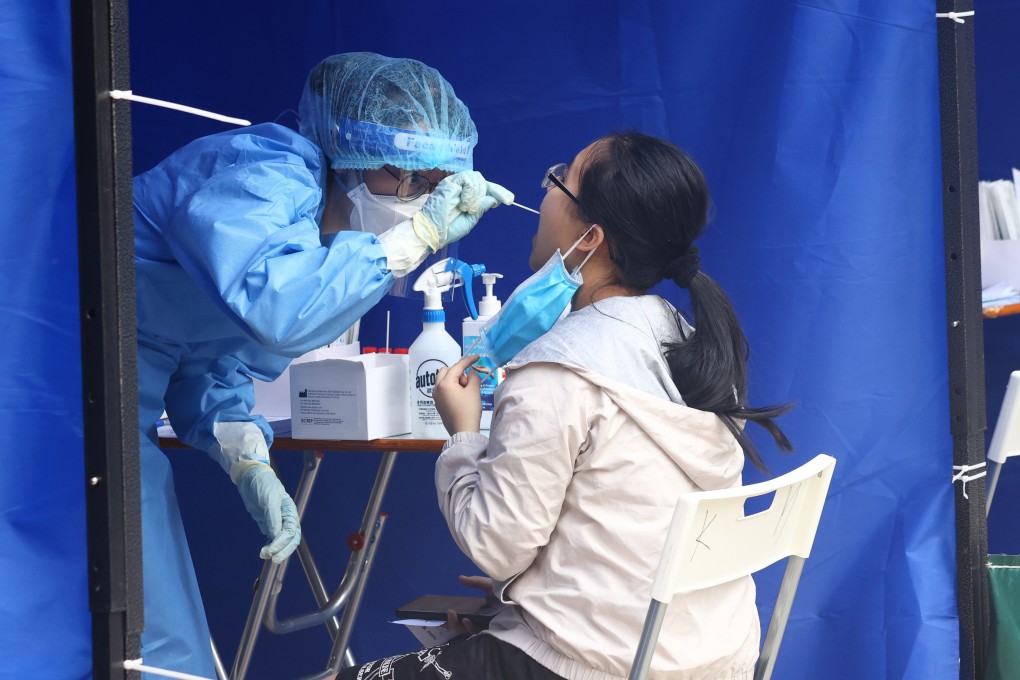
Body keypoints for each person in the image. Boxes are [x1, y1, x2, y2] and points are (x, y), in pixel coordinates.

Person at [337, 131, 793, 680]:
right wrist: (537, 591)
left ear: (590, 238)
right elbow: (626, 510)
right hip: (703, 660)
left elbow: (493, 544)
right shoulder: (692, 345)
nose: (544, 188)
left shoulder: (559, 369)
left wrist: (461, 435)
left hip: (587, 667)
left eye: (561, 178)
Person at [132, 52, 512, 677]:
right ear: (348, 152)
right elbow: (275, 310)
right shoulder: (263, 175)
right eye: (407, 178)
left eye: (435, 183)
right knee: (133, 634)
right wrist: (412, 238)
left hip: (113, 408)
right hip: (59, 386)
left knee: (158, 639)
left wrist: (244, 456)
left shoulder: (317, 236)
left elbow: (210, 362)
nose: (418, 200)